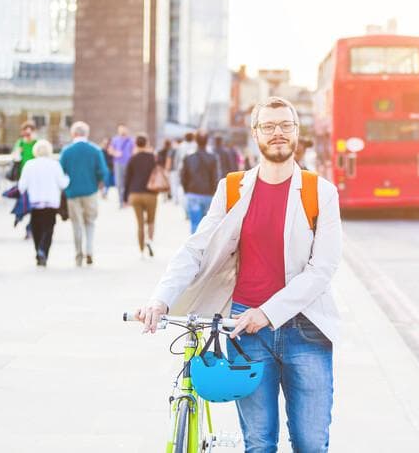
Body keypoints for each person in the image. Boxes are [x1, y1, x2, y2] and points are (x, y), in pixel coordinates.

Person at [136, 96, 342, 452]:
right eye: (269, 126)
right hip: (245, 331)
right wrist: (161, 298)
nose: (277, 133)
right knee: (258, 444)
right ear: (255, 133)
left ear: (296, 132)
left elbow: (321, 269)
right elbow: (196, 248)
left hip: (305, 330)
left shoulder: (319, 192)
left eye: (285, 125)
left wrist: (269, 312)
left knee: (311, 443)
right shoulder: (232, 188)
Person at [59, 121, 109, 267]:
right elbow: (103, 171)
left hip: (73, 192)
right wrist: (98, 182)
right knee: (90, 222)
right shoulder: (95, 150)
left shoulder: (66, 151)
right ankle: (89, 250)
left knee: (76, 224)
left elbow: (60, 171)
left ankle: (78, 254)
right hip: (90, 191)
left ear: (73, 134)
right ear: (86, 133)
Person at [17, 140, 70, 266]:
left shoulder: (29, 164)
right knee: (49, 228)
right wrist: (68, 177)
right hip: (51, 202)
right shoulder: (55, 165)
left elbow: (22, 186)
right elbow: (63, 183)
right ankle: (43, 251)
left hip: (35, 201)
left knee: (36, 228)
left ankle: (38, 250)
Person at [124, 133, 158, 258]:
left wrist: (124, 197)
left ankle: (141, 250)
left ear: (136, 144)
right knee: (151, 221)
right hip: (151, 194)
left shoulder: (132, 158)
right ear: (147, 143)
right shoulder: (153, 158)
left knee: (140, 224)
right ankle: (149, 241)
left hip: (135, 194)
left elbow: (127, 179)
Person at [180, 131, 218, 233]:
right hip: (208, 194)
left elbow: (183, 176)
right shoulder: (212, 157)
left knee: (195, 224)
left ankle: (195, 248)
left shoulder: (188, 157)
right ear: (207, 141)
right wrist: (214, 191)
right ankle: (206, 248)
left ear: (195, 141)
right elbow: (215, 177)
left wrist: (186, 190)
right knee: (207, 225)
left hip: (192, 193)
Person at [109, 124, 135, 208]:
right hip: (118, 163)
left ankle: (127, 200)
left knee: (128, 182)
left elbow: (134, 151)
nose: (122, 131)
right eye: (120, 129)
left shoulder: (131, 140)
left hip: (128, 164)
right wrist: (115, 153)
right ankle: (121, 201)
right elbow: (110, 150)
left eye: (124, 129)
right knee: (119, 183)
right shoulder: (115, 140)